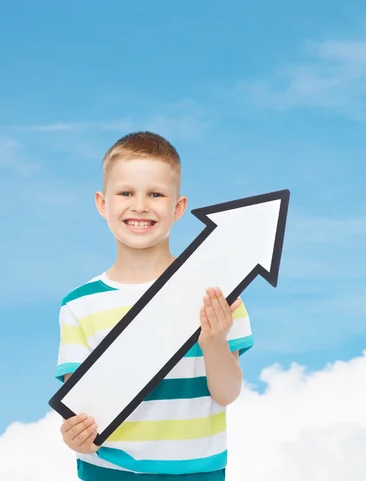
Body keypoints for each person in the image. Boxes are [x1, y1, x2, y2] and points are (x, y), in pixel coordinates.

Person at [54, 131, 254, 480]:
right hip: (108, 472)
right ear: (103, 204)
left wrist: (213, 341)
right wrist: (80, 439)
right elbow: (82, 413)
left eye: (156, 194)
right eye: (126, 193)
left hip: (198, 471)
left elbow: (227, 393)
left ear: (178, 208)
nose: (141, 206)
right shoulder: (79, 305)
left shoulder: (217, 294)